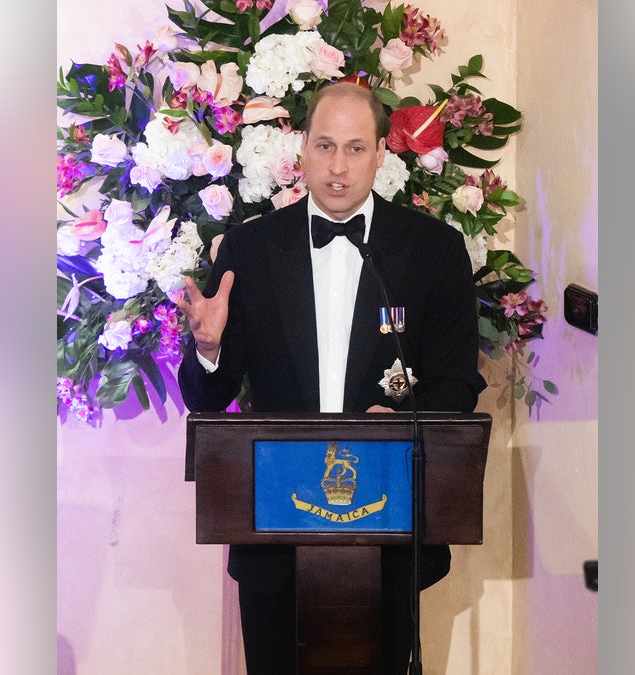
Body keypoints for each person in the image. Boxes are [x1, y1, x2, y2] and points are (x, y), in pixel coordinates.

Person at [176, 81, 485, 674]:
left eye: (355, 148)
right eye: (324, 146)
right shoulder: (249, 246)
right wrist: (208, 349)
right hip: (272, 533)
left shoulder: (434, 250)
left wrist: (399, 423)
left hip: (388, 526)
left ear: (381, 154)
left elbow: (456, 382)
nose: (338, 168)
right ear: (301, 150)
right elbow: (209, 400)